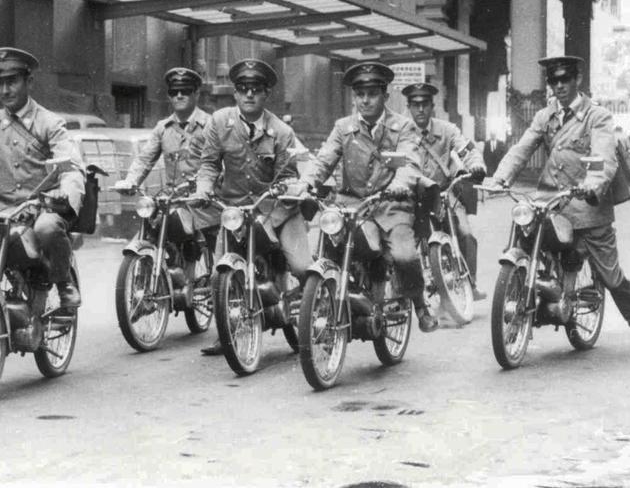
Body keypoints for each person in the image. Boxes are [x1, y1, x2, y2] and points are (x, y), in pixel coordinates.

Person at [491, 56, 630, 350]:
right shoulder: (545, 116)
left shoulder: (597, 117)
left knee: (611, 277)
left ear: (577, 80)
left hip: (587, 206)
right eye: (553, 81)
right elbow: (522, 148)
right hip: (551, 200)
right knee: (524, 231)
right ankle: (531, 290)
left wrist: (592, 186)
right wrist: (500, 178)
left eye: (564, 80)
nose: (558, 86)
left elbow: (602, 159)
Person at [300, 62, 439, 333]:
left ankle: (420, 304)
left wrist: (399, 184)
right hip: (352, 205)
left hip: (390, 206)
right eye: (359, 94)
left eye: (372, 93)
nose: (365, 100)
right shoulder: (343, 127)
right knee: (329, 244)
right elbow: (324, 159)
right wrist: (306, 182)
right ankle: (325, 299)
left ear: (385, 96)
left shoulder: (404, 127)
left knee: (403, 255)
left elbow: (411, 164)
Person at [0, 47, 86, 310]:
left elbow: (71, 168)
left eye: (12, 81)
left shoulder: (49, 123)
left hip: (42, 208)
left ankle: (64, 281)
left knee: (47, 228)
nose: (5, 90)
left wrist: (63, 195)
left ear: (28, 81)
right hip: (4, 212)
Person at [194, 58, 305, 355]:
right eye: (243, 89)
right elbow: (207, 164)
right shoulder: (219, 122)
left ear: (266, 93)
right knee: (219, 274)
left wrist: (286, 188)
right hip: (235, 211)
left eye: (256, 89)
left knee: (302, 266)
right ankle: (226, 331)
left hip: (275, 210)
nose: (249, 95)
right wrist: (204, 188)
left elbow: (290, 174)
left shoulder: (281, 131)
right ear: (235, 93)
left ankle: (309, 316)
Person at [113, 66, 217, 293]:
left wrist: (204, 187)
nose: (179, 96)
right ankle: (147, 283)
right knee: (151, 226)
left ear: (196, 94)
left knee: (218, 252)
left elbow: (220, 162)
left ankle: (221, 291)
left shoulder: (210, 125)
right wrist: (131, 181)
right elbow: (144, 159)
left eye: (185, 91)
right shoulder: (163, 128)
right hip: (173, 199)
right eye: (174, 92)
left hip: (203, 201)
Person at [402, 81, 488, 301]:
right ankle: (401, 292)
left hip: (444, 191)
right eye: (415, 104)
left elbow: (467, 149)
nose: (420, 109)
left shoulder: (447, 130)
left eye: (424, 104)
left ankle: (470, 283)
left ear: (433, 107)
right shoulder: (400, 132)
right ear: (409, 107)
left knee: (466, 234)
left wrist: (476, 164)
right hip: (413, 194)